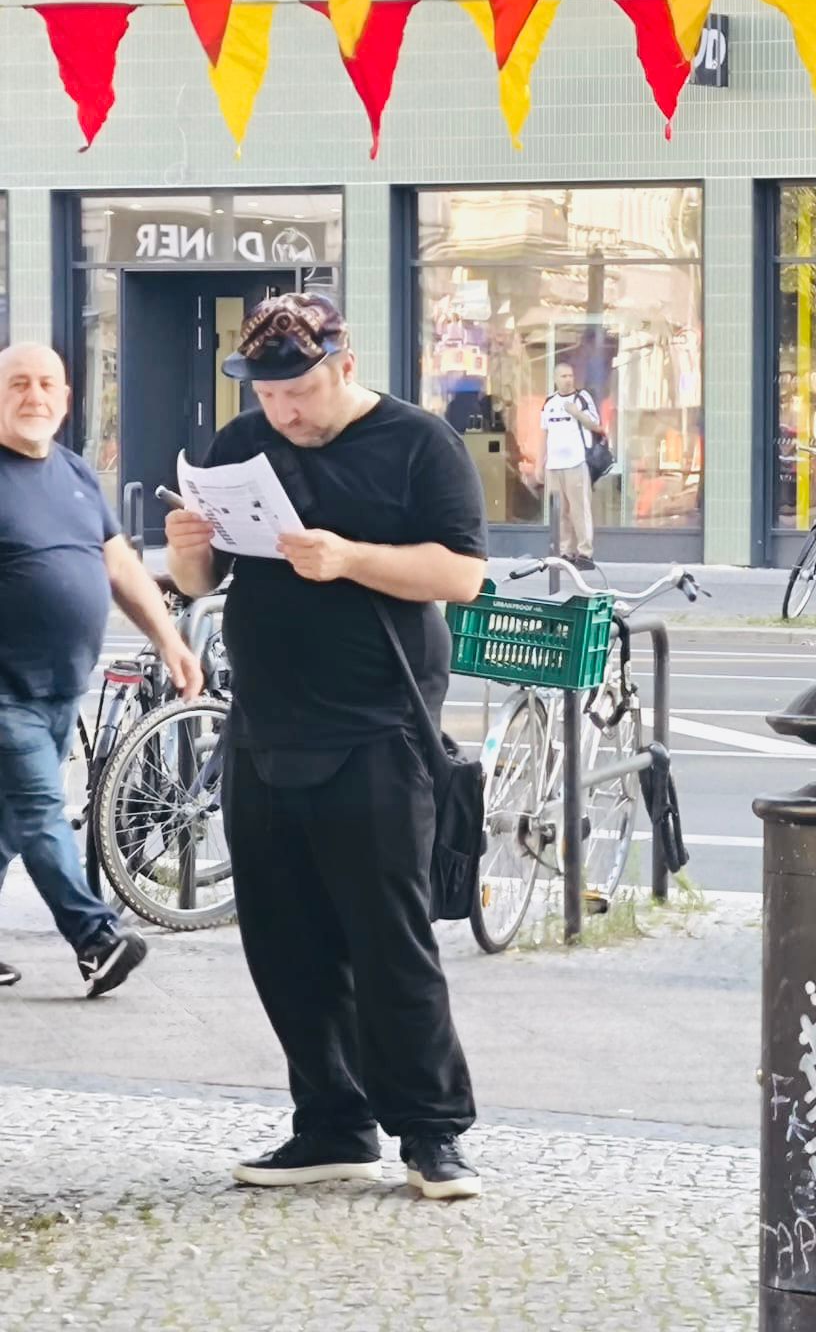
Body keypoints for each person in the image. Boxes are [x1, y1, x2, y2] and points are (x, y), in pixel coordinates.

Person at [162, 295, 489, 1202]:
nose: (283, 412)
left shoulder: (419, 443)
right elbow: (202, 579)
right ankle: (332, 1123)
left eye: (299, 392)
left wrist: (350, 558)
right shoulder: (240, 444)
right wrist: (188, 550)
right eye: (267, 395)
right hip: (265, 724)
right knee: (283, 938)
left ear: (345, 366)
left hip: (379, 726)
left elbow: (462, 574)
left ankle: (432, 1131)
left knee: (388, 940)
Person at [0, 344, 200, 995]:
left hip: (63, 688)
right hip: (6, 691)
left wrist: (170, 641)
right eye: (18, 383)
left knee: (10, 822)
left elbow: (121, 568)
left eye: (46, 384)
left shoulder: (77, 474)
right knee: (40, 812)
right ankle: (96, 940)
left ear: (66, 399)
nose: (34, 395)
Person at [540, 362, 601, 568]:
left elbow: (595, 425)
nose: (568, 380)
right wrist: (541, 463)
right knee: (560, 512)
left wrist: (577, 413)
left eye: (571, 376)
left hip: (576, 462)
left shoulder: (582, 398)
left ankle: (585, 553)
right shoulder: (549, 403)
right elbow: (544, 433)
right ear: (555, 379)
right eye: (564, 376)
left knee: (579, 508)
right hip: (554, 465)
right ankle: (565, 552)